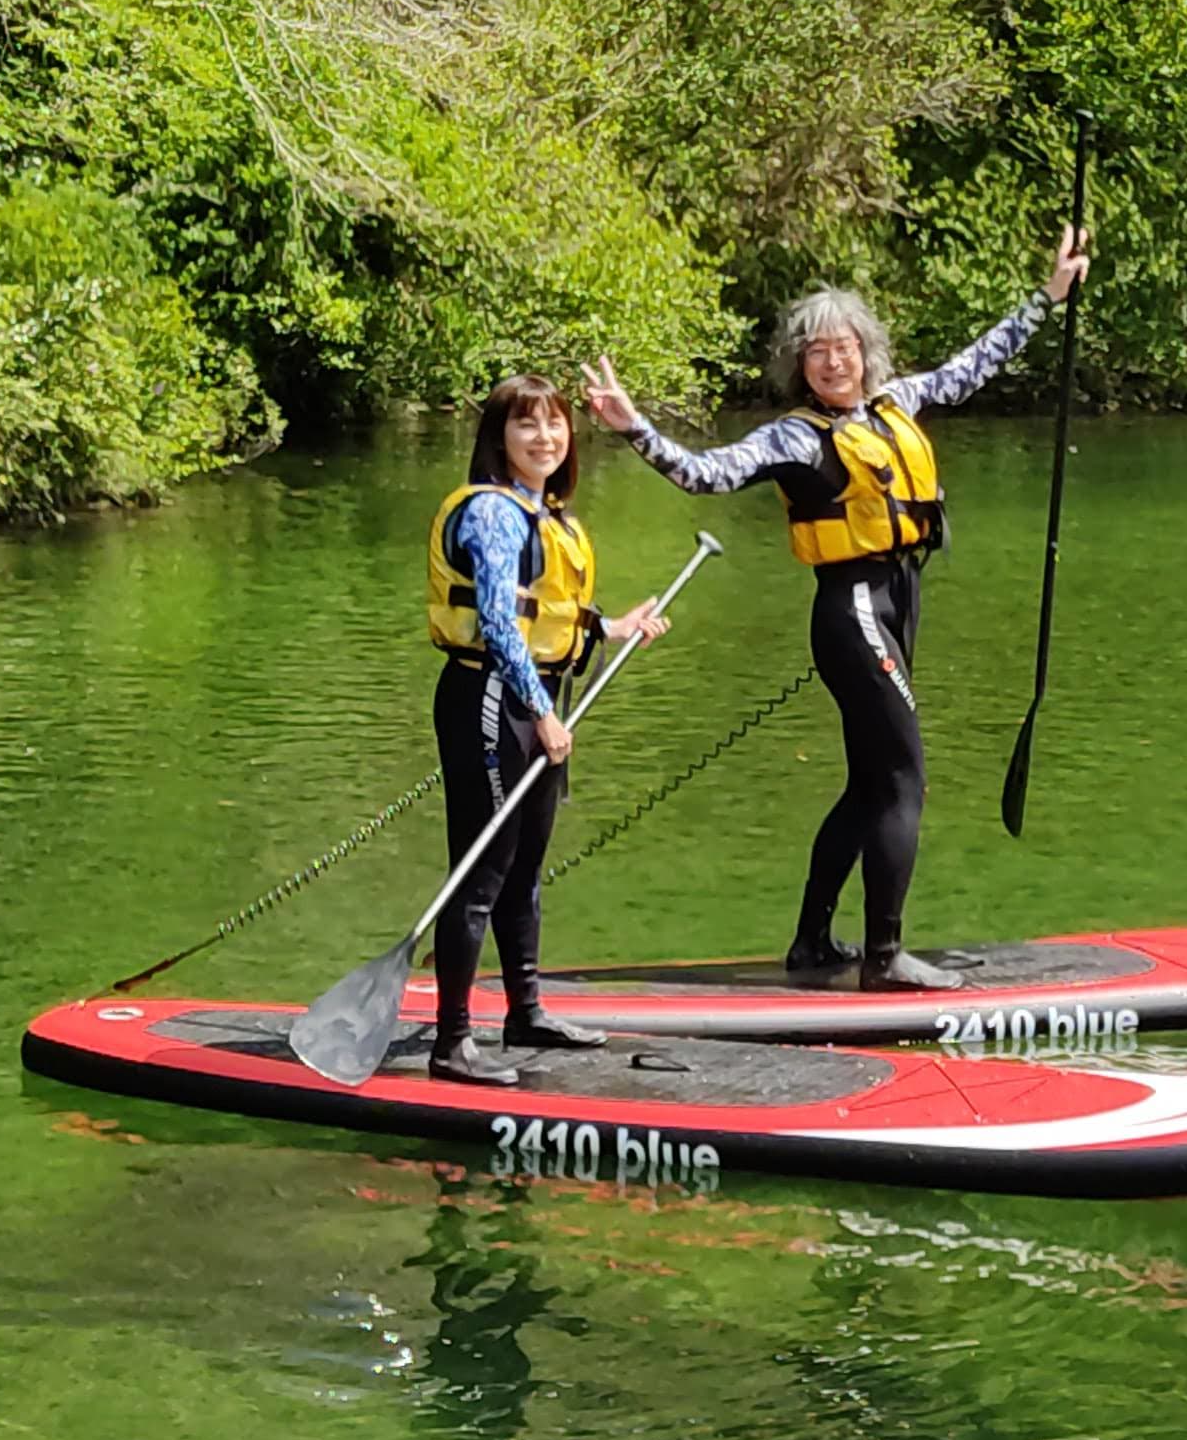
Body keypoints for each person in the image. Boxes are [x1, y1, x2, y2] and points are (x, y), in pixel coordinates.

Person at [583, 228, 1089, 992]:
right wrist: (634, 429)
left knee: (869, 783)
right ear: (800, 364)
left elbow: (974, 366)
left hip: (899, 601)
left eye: (842, 346)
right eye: (815, 350)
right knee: (902, 781)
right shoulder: (793, 436)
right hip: (851, 608)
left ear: (866, 352)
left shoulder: (899, 402)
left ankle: (813, 944)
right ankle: (884, 958)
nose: (831, 359)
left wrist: (1047, 300)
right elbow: (703, 473)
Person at [425, 374, 669, 1084]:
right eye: (526, 425)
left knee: (524, 870)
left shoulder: (543, 513)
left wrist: (607, 625)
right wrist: (541, 711)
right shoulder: (494, 513)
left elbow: (543, 609)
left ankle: (524, 1011)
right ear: (498, 438)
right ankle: (452, 1043)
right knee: (481, 874)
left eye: (556, 425)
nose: (545, 438)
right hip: (493, 699)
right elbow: (499, 625)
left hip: (531, 700)